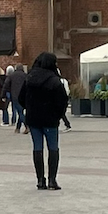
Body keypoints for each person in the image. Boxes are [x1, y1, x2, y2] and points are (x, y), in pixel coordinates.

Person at [20, 50, 71, 190]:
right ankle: (52, 180)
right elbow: (62, 101)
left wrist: (30, 108)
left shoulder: (29, 78)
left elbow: (21, 98)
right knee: (53, 148)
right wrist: (58, 115)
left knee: (37, 148)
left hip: (34, 119)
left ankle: (40, 180)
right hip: (50, 120)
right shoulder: (55, 80)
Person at [4, 59, 28, 130]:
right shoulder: (25, 75)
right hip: (24, 96)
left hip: (15, 96)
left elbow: (6, 85)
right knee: (21, 111)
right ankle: (18, 128)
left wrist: (3, 95)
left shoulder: (11, 76)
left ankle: (27, 126)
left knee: (20, 112)